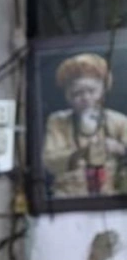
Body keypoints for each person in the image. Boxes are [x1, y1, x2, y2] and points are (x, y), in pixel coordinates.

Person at [42, 52, 127, 198]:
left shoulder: (119, 120)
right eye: (77, 93)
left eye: (92, 91)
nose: (86, 98)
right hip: (69, 198)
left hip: (113, 198)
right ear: (68, 96)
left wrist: (119, 148)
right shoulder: (58, 121)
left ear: (103, 91)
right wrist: (82, 152)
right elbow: (49, 162)